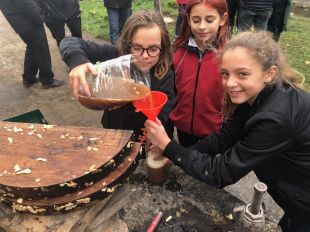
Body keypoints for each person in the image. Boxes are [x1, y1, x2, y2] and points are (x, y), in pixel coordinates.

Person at [145, 31, 310, 231]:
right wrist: (175, 154)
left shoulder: (274, 120)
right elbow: (225, 137)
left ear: (269, 73)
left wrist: (168, 146)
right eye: (225, 73)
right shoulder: (259, 95)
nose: (230, 83)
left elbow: (220, 173)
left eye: (243, 74)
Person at [60, 10, 175, 145]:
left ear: (163, 47)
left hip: (147, 140)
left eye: (153, 49)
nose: (145, 55)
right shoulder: (116, 57)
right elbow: (69, 41)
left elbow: (162, 114)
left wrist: (128, 95)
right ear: (128, 44)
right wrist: (77, 62)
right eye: (137, 47)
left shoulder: (165, 74)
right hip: (115, 133)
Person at [170, 0, 228, 147]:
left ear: (222, 19)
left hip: (215, 133)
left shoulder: (229, 56)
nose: (202, 26)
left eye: (209, 20)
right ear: (188, 19)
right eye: (196, 20)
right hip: (184, 130)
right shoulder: (178, 52)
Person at [0, 0, 65, 89]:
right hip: (30, 23)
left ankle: (28, 78)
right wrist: (39, 18)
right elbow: (26, 4)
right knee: (42, 50)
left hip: (19, 23)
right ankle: (47, 80)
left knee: (32, 48)